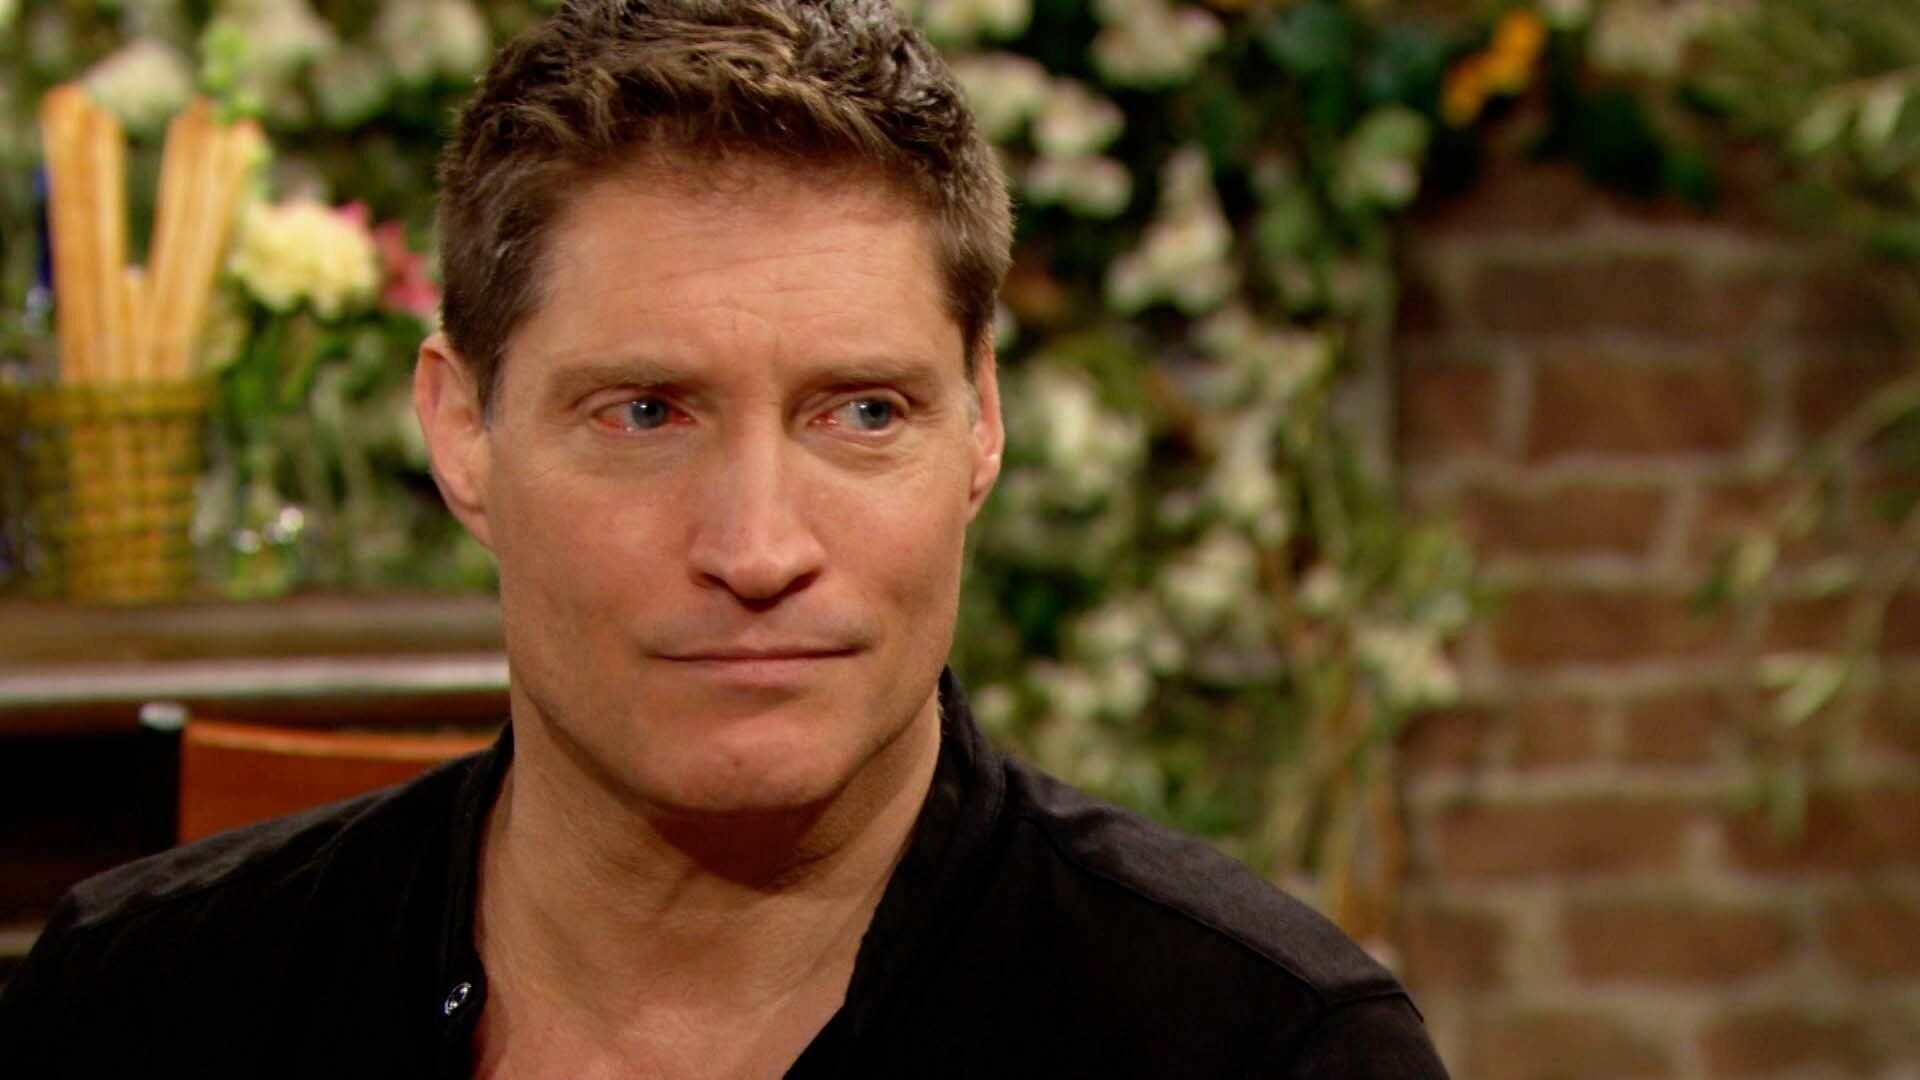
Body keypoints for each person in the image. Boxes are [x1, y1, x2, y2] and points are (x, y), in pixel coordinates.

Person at [0, 2, 1450, 1076]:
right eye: (645, 413)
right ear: (461, 431)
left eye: (863, 412)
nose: (758, 550)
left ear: (981, 427)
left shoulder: (1258, 1049)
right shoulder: (142, 1007)